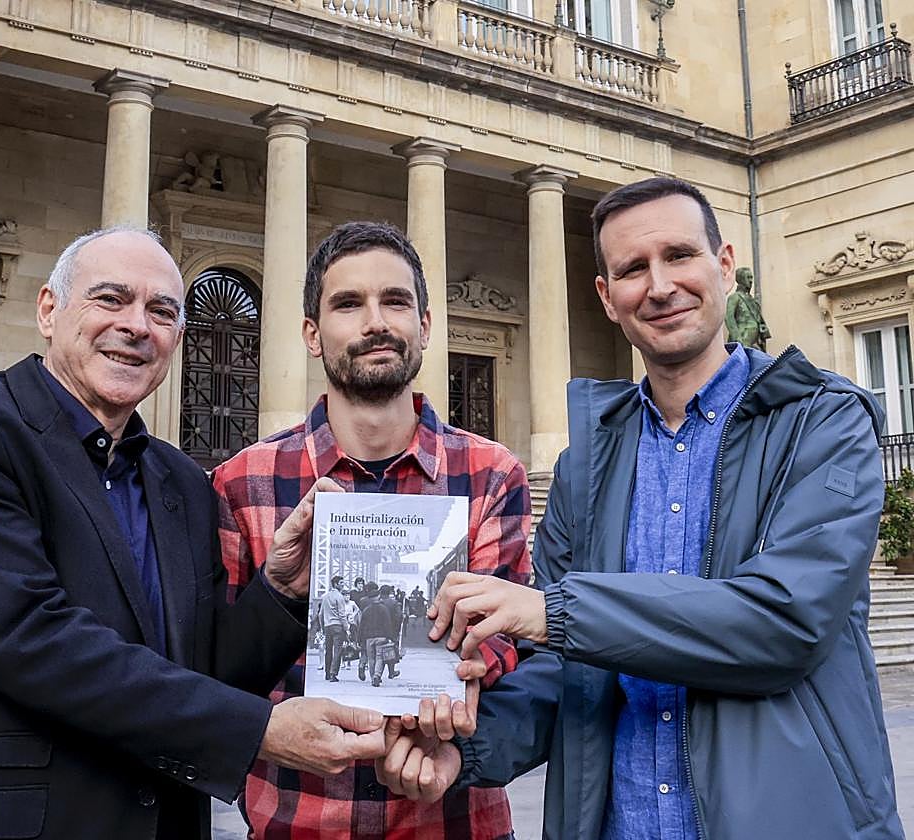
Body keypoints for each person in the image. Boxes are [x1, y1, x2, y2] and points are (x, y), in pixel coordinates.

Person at [377, 177, 904, 839]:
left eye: (679, 255)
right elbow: (569, 674)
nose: (659, 286)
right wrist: (465, 746)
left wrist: (555, 611)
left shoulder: (822, 422)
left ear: (724, 263)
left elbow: (785, 621)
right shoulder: (587, 464)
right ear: (606, 297)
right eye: (631, 268)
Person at [0, 227, 388, 840]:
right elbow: (25, 633)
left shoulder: (184, 482)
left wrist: (281, 591)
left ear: (177, 340)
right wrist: (260, 730)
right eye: (110, 299)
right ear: (49, 309)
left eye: (162, 311)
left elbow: (205, 670)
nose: (137, 325)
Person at [213, 221, 531, 838]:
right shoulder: (240, 482)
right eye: (348, 303)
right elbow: (218, 671)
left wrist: (468, 677)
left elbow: (504, 646)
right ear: (312, 334)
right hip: (296, 821)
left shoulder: (492, 475)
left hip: (452, 822)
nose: (375, 321)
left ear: (426, 326)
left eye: (395, 301)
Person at [725, 266, 770, 350]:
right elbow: (728, 317)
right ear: (741, 279)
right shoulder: (735, 297)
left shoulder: (752, 300)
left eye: (751, 277)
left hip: (756, 342)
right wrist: (737, 338)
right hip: (742, 340)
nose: (751, 280)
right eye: (748, 277)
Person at [321, 575, 351, 681]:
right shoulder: (340, 597)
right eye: (341, 583)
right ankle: (333, 674)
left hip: (327, 626)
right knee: (337, 651)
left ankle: (327, 673)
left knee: (328, 650)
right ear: (336, 584)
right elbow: (342, 615)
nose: (343, 585)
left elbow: (321, 614)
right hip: (338, 626)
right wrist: (347, 628)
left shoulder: (325, 596)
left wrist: (323, 627)